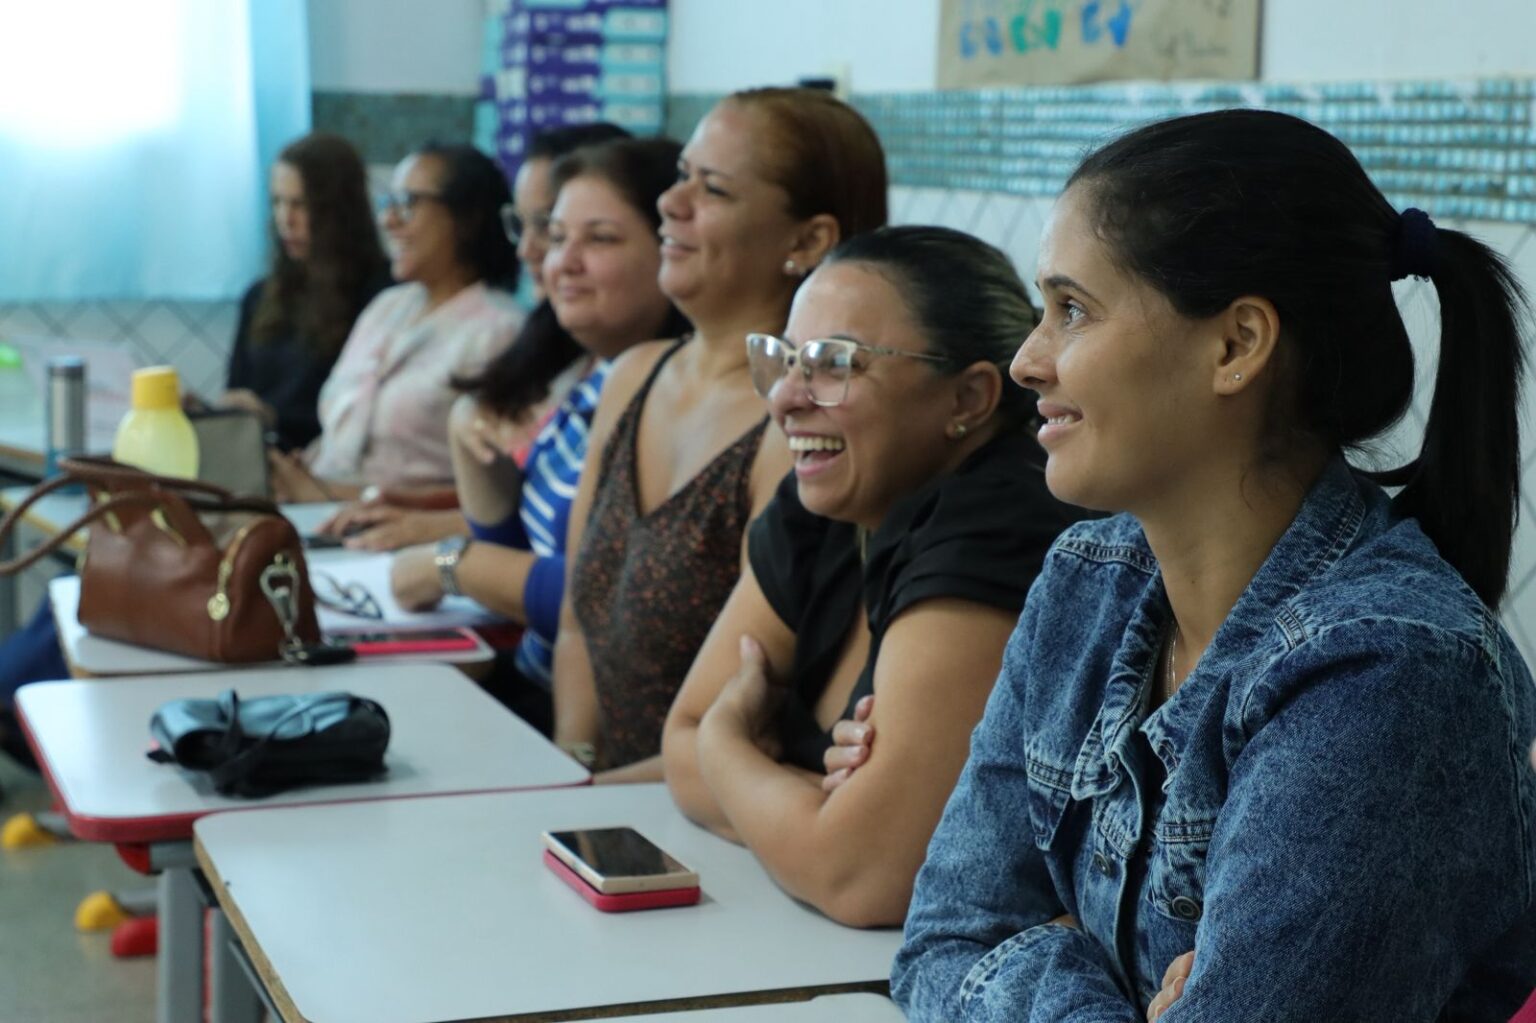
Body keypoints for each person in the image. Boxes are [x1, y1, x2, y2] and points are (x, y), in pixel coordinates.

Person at [890, 109, 1536, 1021]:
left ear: (1235, 345)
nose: (1028, 359)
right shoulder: (1087, 579)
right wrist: (1087, 984)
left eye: (1072, 309)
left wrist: (1038, 950)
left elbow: (977, 949)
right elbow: (944, 937)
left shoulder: (1386, 669)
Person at [660, 226, 1088, 927]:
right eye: (785, 359)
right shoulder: (830, 500)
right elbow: (675, 743)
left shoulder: (997, 523)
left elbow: (861, 875)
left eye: (833, 363)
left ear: (969, 398)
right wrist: (805, 807)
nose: (785, 398)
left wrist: (726, 744)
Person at [553, 87, 889, 781]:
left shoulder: (800, 427)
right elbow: (575, 625)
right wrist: (571, 765)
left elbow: (748, 726)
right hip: (600, 795)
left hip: (705, 815)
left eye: (713, 189)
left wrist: (580, 797)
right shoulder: (632, 375)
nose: (671, 202)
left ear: (807, 241)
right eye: (682, 175)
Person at [389, 137, 690, 734]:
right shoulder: (597, 372)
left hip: (603, 726)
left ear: (673, 250)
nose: (558, 261)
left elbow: (609, 596)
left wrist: (451, 563)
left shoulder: (669, 390)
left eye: (599, 239)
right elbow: (527, 554)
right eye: (557, 236)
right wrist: (472, 450)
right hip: (535, 688)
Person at [318, 123, 629, 550]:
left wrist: (443, 561)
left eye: (596, 237)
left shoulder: (508, 330)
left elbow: (569, 566)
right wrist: (420, 513)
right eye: (532, 227)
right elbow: (513, 521)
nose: (530, 249)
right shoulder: (553, 350)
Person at [270, 142, 522, 504]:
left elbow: (502, 492)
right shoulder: (387, 307)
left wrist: (338, 493)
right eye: (388, 203)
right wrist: (303, 467)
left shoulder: (500, 331)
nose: (388, 220)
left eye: (408, 203)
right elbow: (345, 439)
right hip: (323, 512)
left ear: (466, 217)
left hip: (409, 531)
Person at [219, 132, 390, 452]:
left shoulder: (382, 297)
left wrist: (272, 418)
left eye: (301, 204)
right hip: (260, 462)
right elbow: (237, 394)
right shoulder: (259, 296)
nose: (286, 219)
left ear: (341, 211)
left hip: (334, 466)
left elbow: (374, 417)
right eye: (278, 202)